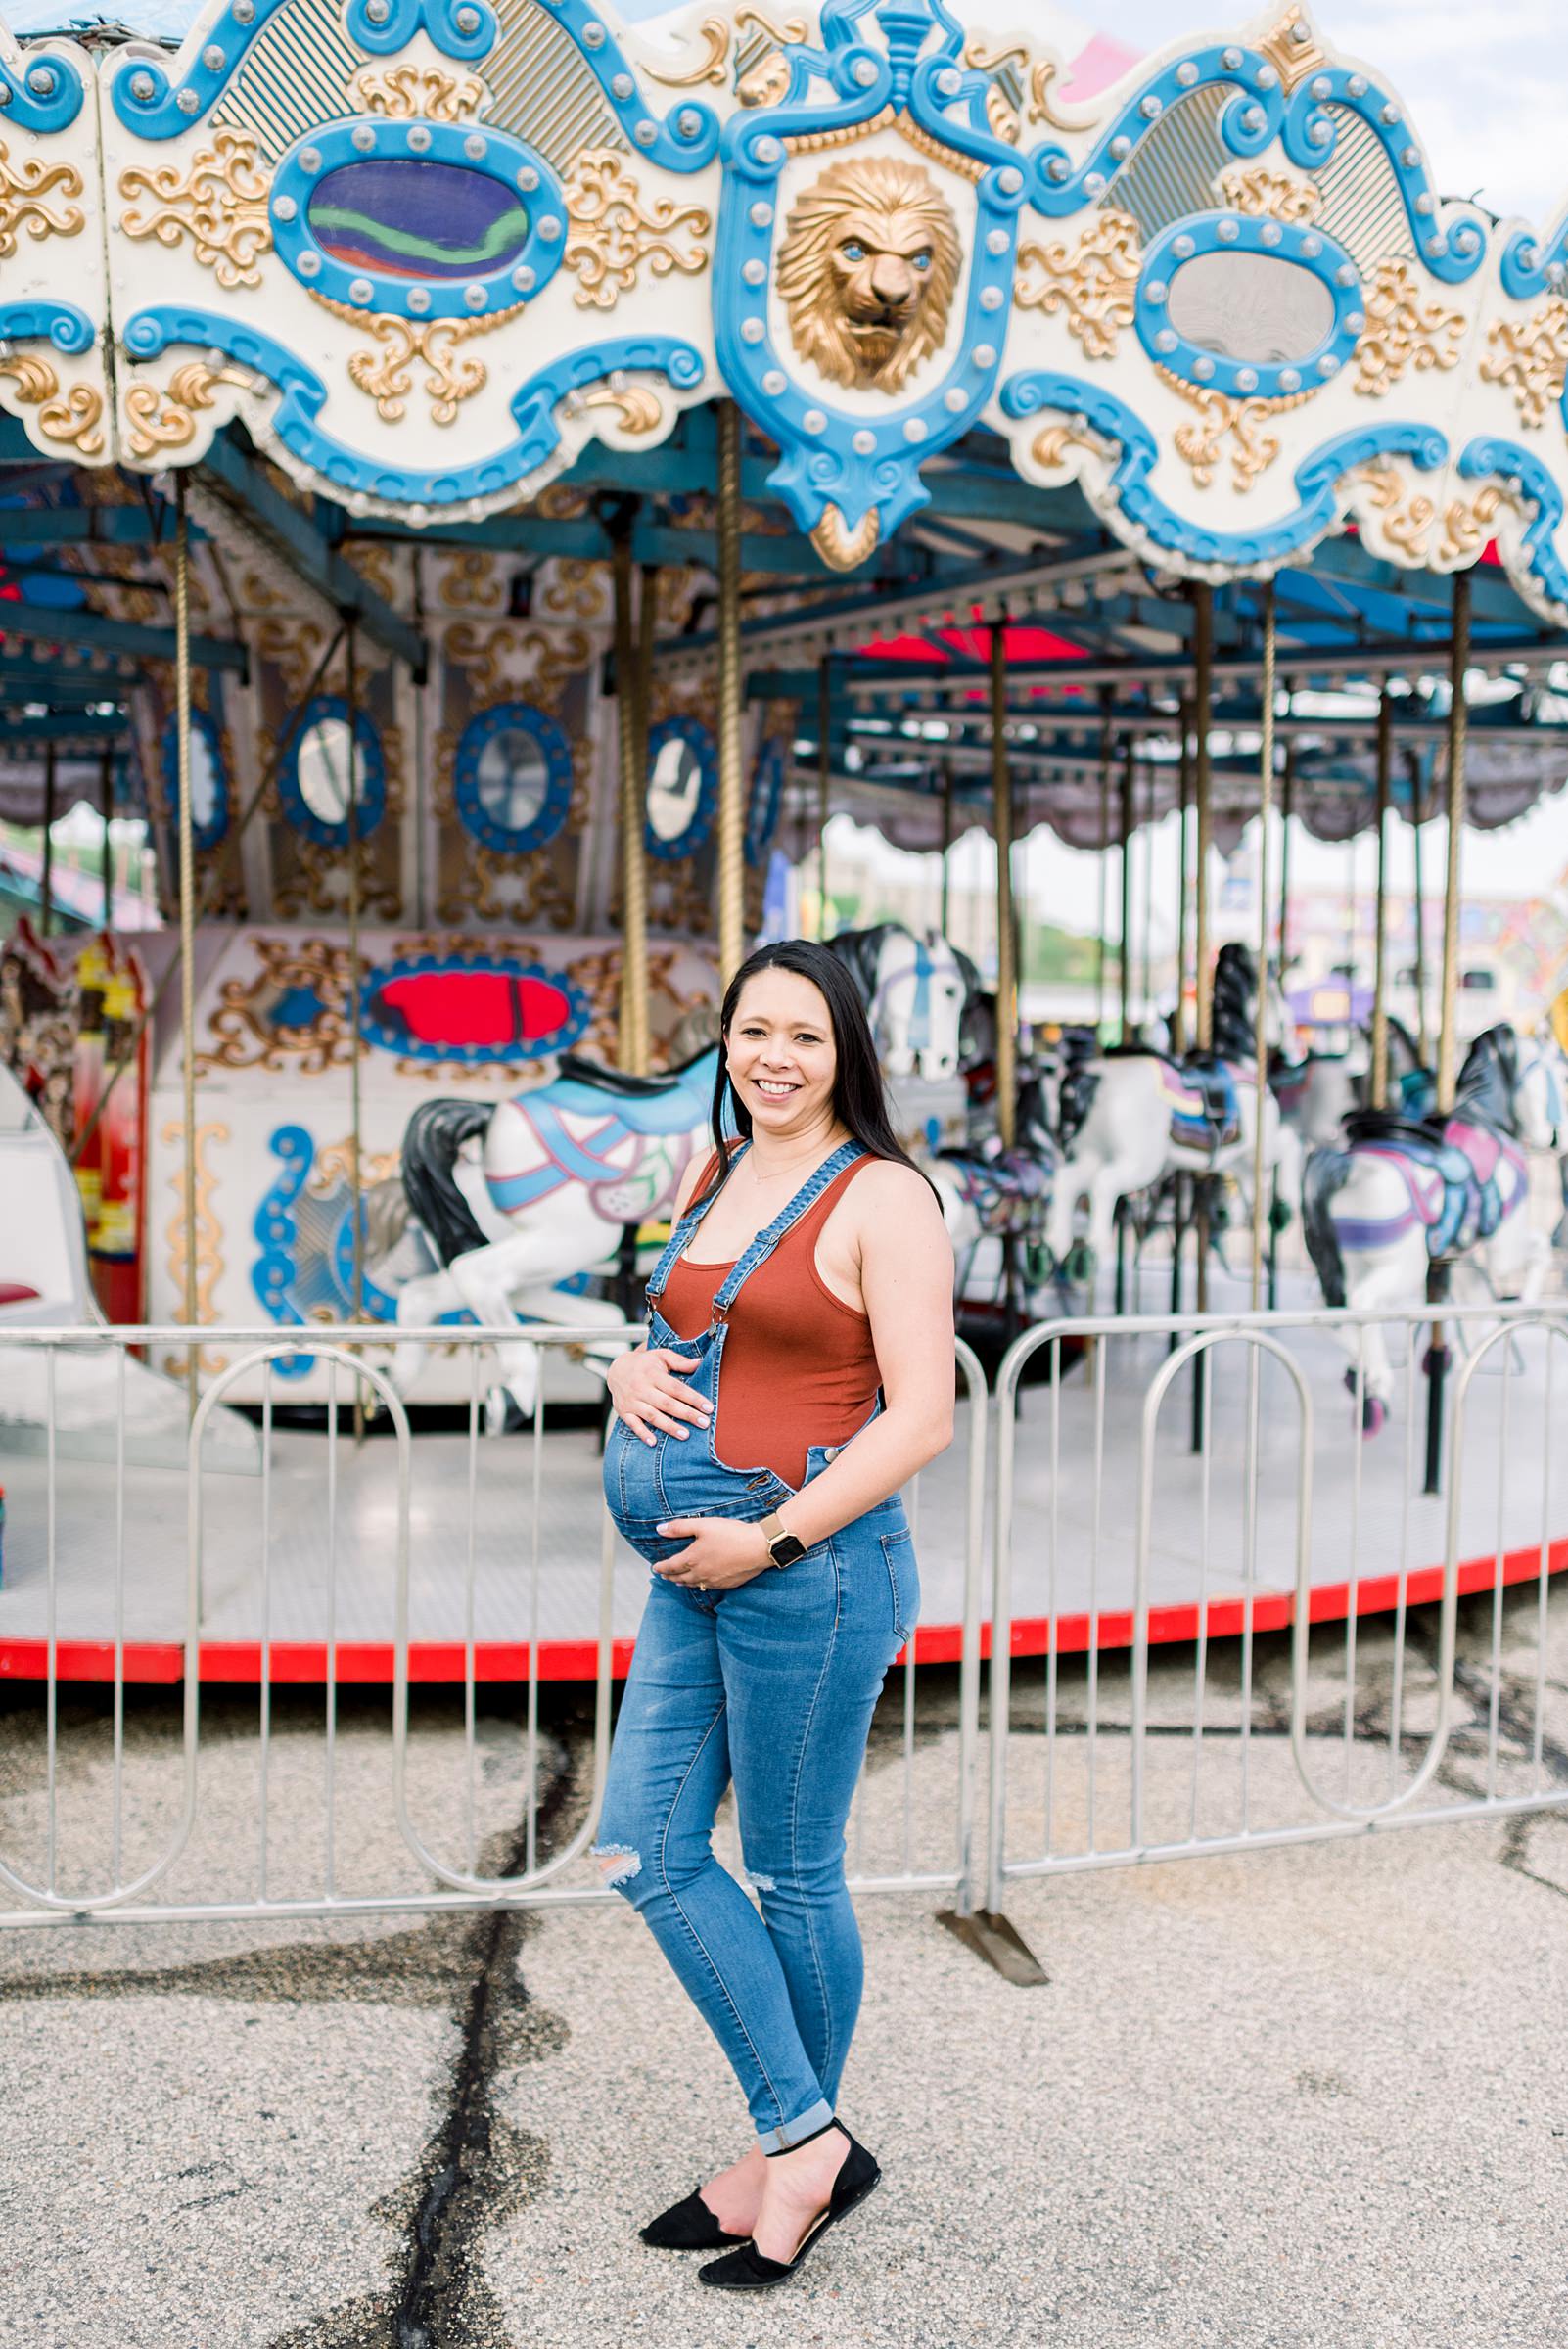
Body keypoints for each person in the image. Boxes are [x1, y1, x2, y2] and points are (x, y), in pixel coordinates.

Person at [593, 937, 956, 2294]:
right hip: (696, 1569)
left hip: (811, 1569)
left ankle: (783, 2158)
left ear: (844, 1051)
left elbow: (922, 1413)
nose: (773, 1058)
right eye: (753, 1032)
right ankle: (802, 2138)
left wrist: (775, 1533)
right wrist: (625, 1365)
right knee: (643, 1848)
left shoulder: (883, 1198)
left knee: (793, 1871)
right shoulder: (721, 1168)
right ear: (725, 1041)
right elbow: (691, 1329)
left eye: (803, 1036)